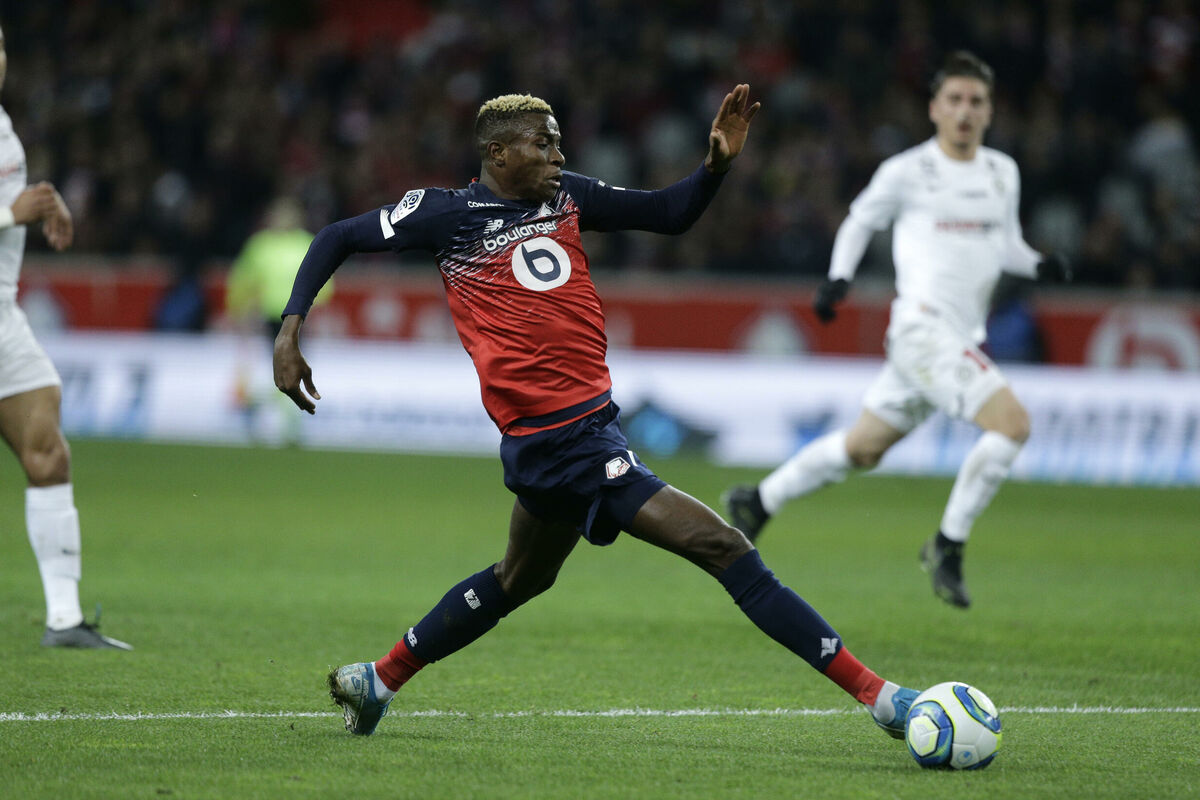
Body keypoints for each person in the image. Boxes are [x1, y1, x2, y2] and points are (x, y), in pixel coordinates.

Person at [275, 85, 920, 737]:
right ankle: (883, 699)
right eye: (543, 143)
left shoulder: (566, 198)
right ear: (498, 154)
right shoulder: (447, 214)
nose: (558, 155)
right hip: (567, 441)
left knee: (519, 579)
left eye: (558, 142)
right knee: (724, 547)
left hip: (574, 432)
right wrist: (290, 329)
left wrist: (715, 167)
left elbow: (668, 213)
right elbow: (338, 235)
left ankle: (379, 679)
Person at [724, 51, 1071, 609]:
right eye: (954, 99)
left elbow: (1004, 242)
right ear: (934, 108)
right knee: (1012, 424)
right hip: (922, 331)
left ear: (989, 112)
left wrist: (1038, 265)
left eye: (976, 101)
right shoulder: (907, 171)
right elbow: (860, 219)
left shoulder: (1001, 172)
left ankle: (759, 500)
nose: (965, 111)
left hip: (956, 338)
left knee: (862, 448)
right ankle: (948, 545)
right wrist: (838, 278)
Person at [0, 23, 130, 649]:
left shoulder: (3, 126)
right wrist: (10, 213)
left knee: (48, 448)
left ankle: (63, 620)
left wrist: (44, 207)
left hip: (2, 317)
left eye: (1, 46)